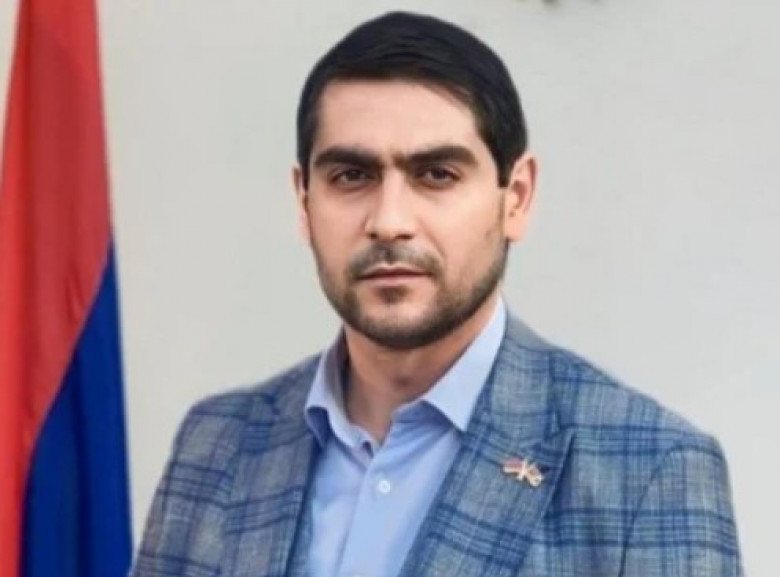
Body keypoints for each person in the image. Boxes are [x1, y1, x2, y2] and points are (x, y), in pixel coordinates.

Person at [131, 11, 742, 577]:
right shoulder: (216, 444)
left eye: (437, 175)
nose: (389, 221)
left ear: (516, 198)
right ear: (304, 201)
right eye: (351, 175)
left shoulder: (650, 470)